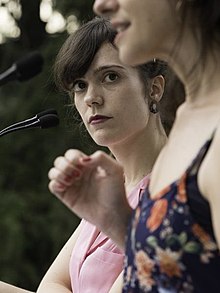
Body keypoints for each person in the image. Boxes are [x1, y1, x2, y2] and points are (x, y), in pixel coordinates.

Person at [48, 1, 220, 292]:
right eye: (79, 85)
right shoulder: (188, 119)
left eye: (111, 76)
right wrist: (120, 224)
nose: (101, 4)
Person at [36, 17, 184, 293]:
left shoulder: (176, 187)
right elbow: (51, 285)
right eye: (80, 85)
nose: (91, 97)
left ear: (154, 88)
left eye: (110, 76)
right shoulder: (110, 185)